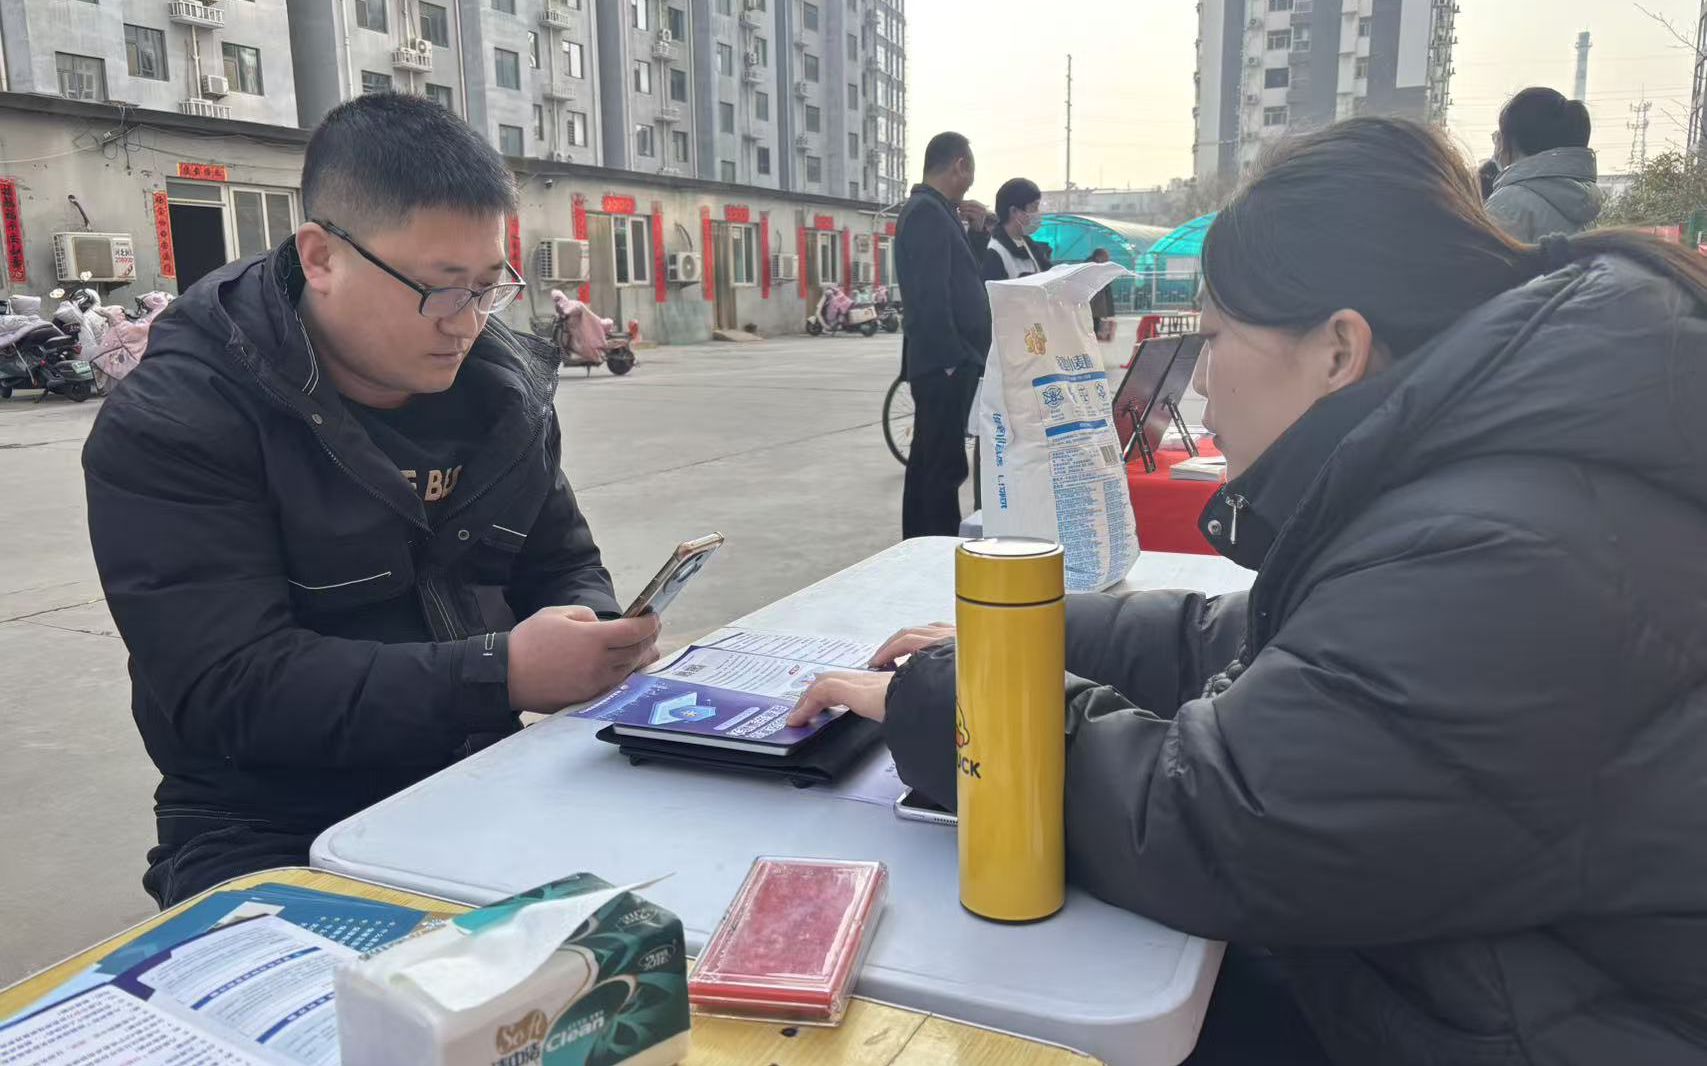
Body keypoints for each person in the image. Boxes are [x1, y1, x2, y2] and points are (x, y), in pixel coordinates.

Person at [791, 117, 1707, 1065]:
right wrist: (1024, 632)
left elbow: (1215, 824)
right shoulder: (1501, 472)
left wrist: (956, 705)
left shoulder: (1510, 537)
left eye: (1216, 337)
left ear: (1338, 350)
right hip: (1485, 972)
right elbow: (1281, 652)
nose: (1200, 385)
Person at [82, 94, 661, 907]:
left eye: (487, 287)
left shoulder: (502, 396)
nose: (465, 323)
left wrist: (596, 633)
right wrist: (498, 674)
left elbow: (559, 559)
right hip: (270, 819)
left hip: (480, 774)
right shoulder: (181, 421)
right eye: (440, 289)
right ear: (320, 257)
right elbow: (228, 688)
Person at [894, 131, 992, 539]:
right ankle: (933, 545)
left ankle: (925, 542)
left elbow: (961, 276)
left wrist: (978, 233)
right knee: (939, 465)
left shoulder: (938, 211)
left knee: (934, 461)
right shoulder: (926, 213)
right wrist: (952, 357)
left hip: (946, 360)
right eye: (970, 172)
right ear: (959, 165)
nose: (970, 183)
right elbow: (929, 294)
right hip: (943, 363)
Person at [1486, 86, 1602, 241]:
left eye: (1500, 135)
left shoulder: (1508, 202)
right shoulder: (1584, 200)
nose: (1498, 144)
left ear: (1515, 141)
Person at [981, 177, 1052, 282]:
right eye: (1034, 207)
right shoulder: (995, 252)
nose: (1038, 213)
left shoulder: (1030, 246)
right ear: (1014, 211)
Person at [1086, 247, 1116, 339]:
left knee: (1095, 322)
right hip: (1092, 302)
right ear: (1099, 257)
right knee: (1091, 324)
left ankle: (1093, 339)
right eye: (1106, 257)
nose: (1107, 259)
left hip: (1096, 304)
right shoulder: (1091, 267)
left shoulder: (1097, 266)